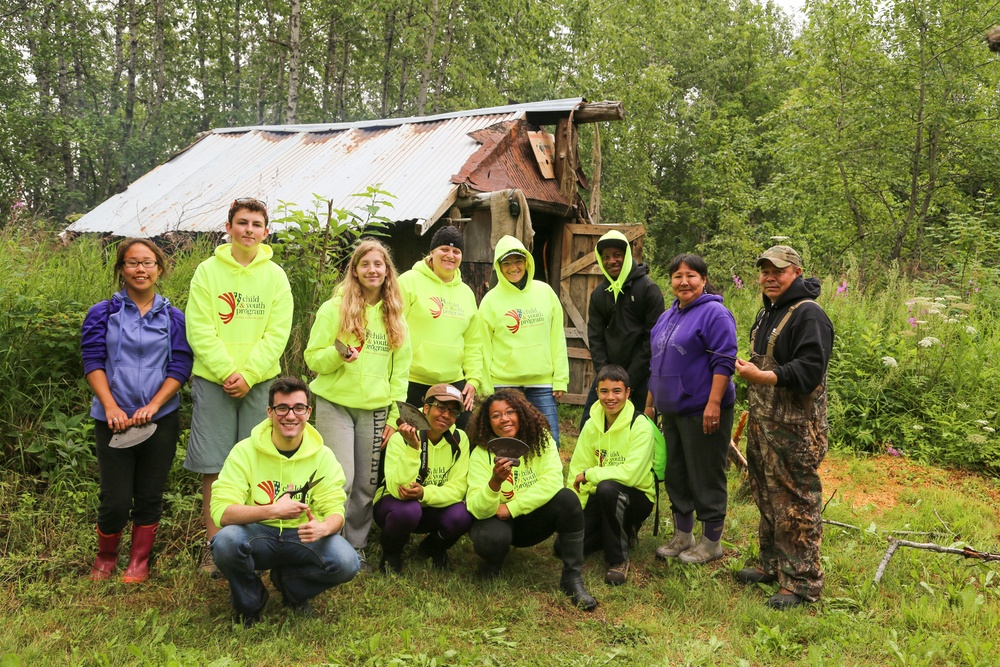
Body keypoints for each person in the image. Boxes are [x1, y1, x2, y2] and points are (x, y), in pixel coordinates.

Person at [183, 197, 293, 576]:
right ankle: (215, 548)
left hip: (260, 383)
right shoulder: (207, 272)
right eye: (242, 222)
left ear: (266, 231)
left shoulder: (275, 276)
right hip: (214, 381)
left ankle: (252, 547)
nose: (249, 230)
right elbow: (199, 328)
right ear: (228, 227)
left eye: (256, 224)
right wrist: (227, 371)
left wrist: (248, 375)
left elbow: (277, 334)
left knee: (257, 464)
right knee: (215, 466)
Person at [82, 238, 193, 583]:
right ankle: (106, 556)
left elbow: (181, 365)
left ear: (159, 269)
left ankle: (139, 561)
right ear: (120, 269)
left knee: (150, 492)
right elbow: (92, 360)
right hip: (112, 420)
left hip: (159, 419)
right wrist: (111, 406)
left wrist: (155, 405)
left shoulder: (174, 317)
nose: (140, 270)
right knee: (114, 498)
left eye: (147, 263)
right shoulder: (103, 313)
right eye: (132, 263)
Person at [210, 377, 359, 626]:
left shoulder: (323, 456)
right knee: (225, 541)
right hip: (258, 535)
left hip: (301, 537)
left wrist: (324, 527)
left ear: (308, 412)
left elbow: (335, 509)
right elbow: (221, 512)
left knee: (346, 561)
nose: (290, 415)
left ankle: (291, 586)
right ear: (270, 412)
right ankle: (250, 603)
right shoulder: (244, 451)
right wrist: (271, 510)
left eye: (298, 408)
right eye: (282, 408)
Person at [735, 245, 834, 610]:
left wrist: (763, 375)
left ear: (797, 272)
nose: (769, 277)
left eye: (777, 271)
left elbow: (809, 371)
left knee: (796, 502)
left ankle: (803, 583)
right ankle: (774, 566)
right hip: (765, 424)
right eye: (764, 271)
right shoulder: (768, 313)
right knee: (766, 495)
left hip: (795, 429)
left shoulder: (808, 315)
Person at [305, 238, 412, 569]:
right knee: (342, 479)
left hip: (376, 410)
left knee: (366, 483)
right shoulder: (333, 310)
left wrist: (394, 417)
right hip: (336, 404)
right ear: (354, 270)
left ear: (387, 271)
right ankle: (330, 544)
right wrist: (339, 354)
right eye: (365, 264)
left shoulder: (396, 316)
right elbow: (312, 359)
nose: (372, 270)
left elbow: (401, 374)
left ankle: (357, 547)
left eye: (378, 264)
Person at [466, 389, 597, 611]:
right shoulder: (481, 453)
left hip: (530, 520)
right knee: (491, 539)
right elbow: (477, 508)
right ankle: (493, 562)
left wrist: (512, 507)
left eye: (510, 412)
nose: (504, 419)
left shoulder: (541, 441)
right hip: (496, 522)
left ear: (522, 413)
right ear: (488, 422)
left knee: (567, 499)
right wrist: (494, 483)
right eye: (496, 415)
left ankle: (572, 579)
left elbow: (553, 481)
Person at [647, 254, 738, 565]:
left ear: (703, 279)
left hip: (703, 410)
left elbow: (724, 362)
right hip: (671, 411)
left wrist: (713, 403)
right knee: (676, 472)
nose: (683, 281)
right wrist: (650, 403)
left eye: (691, 275)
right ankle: (683, 535)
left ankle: (711, 542)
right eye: (677, 276)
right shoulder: (666, 316)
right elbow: (655, 363)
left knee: (706, 473)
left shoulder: (715, 314)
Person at [567, 365, 655, 586]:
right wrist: (575, 512)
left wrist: (590, 474)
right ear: (597, 392)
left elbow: (631, 475)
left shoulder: (640, 425)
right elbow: (577, 468)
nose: (610, 397)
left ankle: (618, 560)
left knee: (608, 487)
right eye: (604, 391)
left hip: (636, 497)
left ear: (628, 392)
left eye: (617, 391)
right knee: (563, 548)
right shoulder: (591, 424)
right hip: (602, 495)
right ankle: (623, 531)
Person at [373, 383, 473, 573]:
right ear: (426, 408)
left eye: (453, 412)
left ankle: (432, 548)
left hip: (432, 505)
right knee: (408, 510)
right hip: (395, 506)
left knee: (463, 514)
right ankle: (391, 552)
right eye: (441, 407)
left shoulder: (460, 439)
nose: (446, 415)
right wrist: (413, 448)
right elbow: (398, 489)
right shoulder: (402, 436)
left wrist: (424, 493)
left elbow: (459, 488)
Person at [478, 235, 568, 443]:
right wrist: (486, 387)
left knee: (549, 440)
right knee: (508, 442)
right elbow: (482, 347)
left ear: (527, 262)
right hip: (504, 383)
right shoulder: (490, 301)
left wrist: (560, 378)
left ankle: (548, 476)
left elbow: (557, 337)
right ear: (498, 267)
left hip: (542, 383)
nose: (513, 268)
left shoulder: (545, 292)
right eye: (506, 263)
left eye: (518, 261)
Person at [398, 225, 484, 429]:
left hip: (452, 382)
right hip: (412, 380)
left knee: (463, 436)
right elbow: (392, 330)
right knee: (406, 439)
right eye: (444, 249)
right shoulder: (409, 282)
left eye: (456, 251)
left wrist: (473, 379)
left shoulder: (466, 293)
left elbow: (473, 342)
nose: (450, 255)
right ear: (432, 252)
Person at [582, 230, 664, 428]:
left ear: (626, 256)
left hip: (641, 377)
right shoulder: (599, 295)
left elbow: (652, 340)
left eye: (617, 255)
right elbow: (595, 338)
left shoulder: (647, 289)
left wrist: (629, 381)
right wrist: (607, 377)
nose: (612, 261)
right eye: (606, 257)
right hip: (608, 376)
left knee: (637, 431)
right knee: (590, 426)